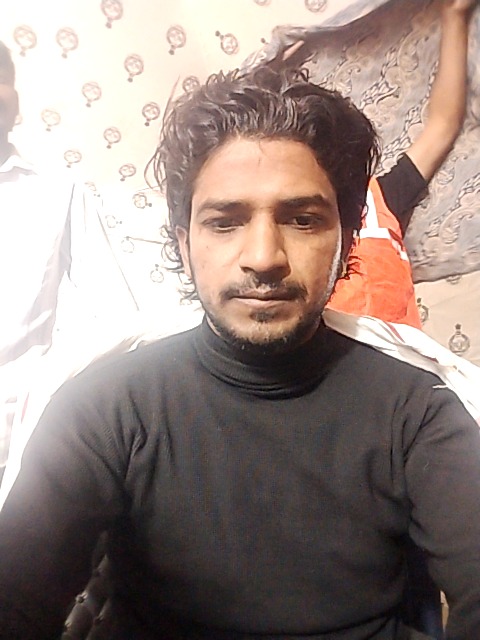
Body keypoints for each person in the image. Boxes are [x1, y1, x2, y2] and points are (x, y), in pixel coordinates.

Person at [1, 56, 480, 640]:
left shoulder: (417, 412)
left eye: (302, 220)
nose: (263, 257)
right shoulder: (105, 408)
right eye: (225, 222)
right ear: (184, 245)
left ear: (347, 239)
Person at [0, 41, 137, 482]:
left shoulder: (58, 193)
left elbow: (119, 321)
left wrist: (47, 391)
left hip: (15, 449)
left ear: (15, 100)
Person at [324, 0, 477, 326]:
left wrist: (455, 16)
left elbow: (443, 126)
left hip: (401, 355)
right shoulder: (282, 219)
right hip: (328, 355)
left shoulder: (380, 198)